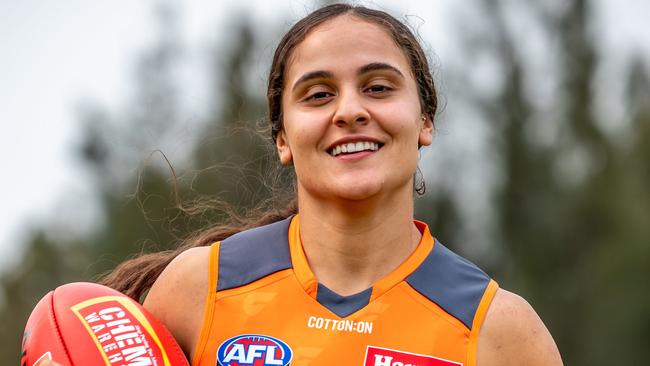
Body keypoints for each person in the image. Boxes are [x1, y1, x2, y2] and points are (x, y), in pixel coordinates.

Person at [42, 3, 563, 366]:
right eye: (317, 95)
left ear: (425, 120)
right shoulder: (198, 291)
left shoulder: (500, 331)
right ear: (283, 138)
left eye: (378, 88)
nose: (351, 111)